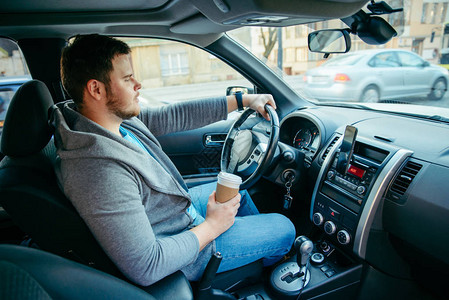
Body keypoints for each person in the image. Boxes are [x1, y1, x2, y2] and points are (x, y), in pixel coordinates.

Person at [52, 34, 295, 286]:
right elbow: (147, 265)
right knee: (284, 228)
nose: (138, 84)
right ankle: (244, 277)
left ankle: (244, 256)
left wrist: (244, 100)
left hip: (179, 216)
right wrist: (214, 227)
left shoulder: (109, 123)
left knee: (239, 192)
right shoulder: (99, 173)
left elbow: (173, 115)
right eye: (127, 79)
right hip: (184, 252)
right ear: (96, 89)